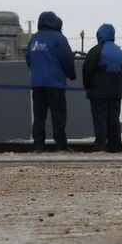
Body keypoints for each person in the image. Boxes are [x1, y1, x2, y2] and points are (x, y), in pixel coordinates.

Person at [25, 10, 76, 152]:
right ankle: (61, 146)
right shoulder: (59, 38)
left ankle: (38, 146)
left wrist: (37, 73)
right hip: (55, 83)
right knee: (58, 115)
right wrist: (71, 75)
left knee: (39, 115)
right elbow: (67, 58)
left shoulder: (34, 39)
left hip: (37, 83)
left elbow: (28, 58)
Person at [82, 23, 122, 153]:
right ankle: (115, 146)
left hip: (98, 92)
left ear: (99, 35)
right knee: (114, 118)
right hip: (115, 91)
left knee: (100, 119)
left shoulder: (95, 51)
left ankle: (100, 146)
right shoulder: (119, 52)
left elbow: (87, 71)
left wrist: (88, 87)